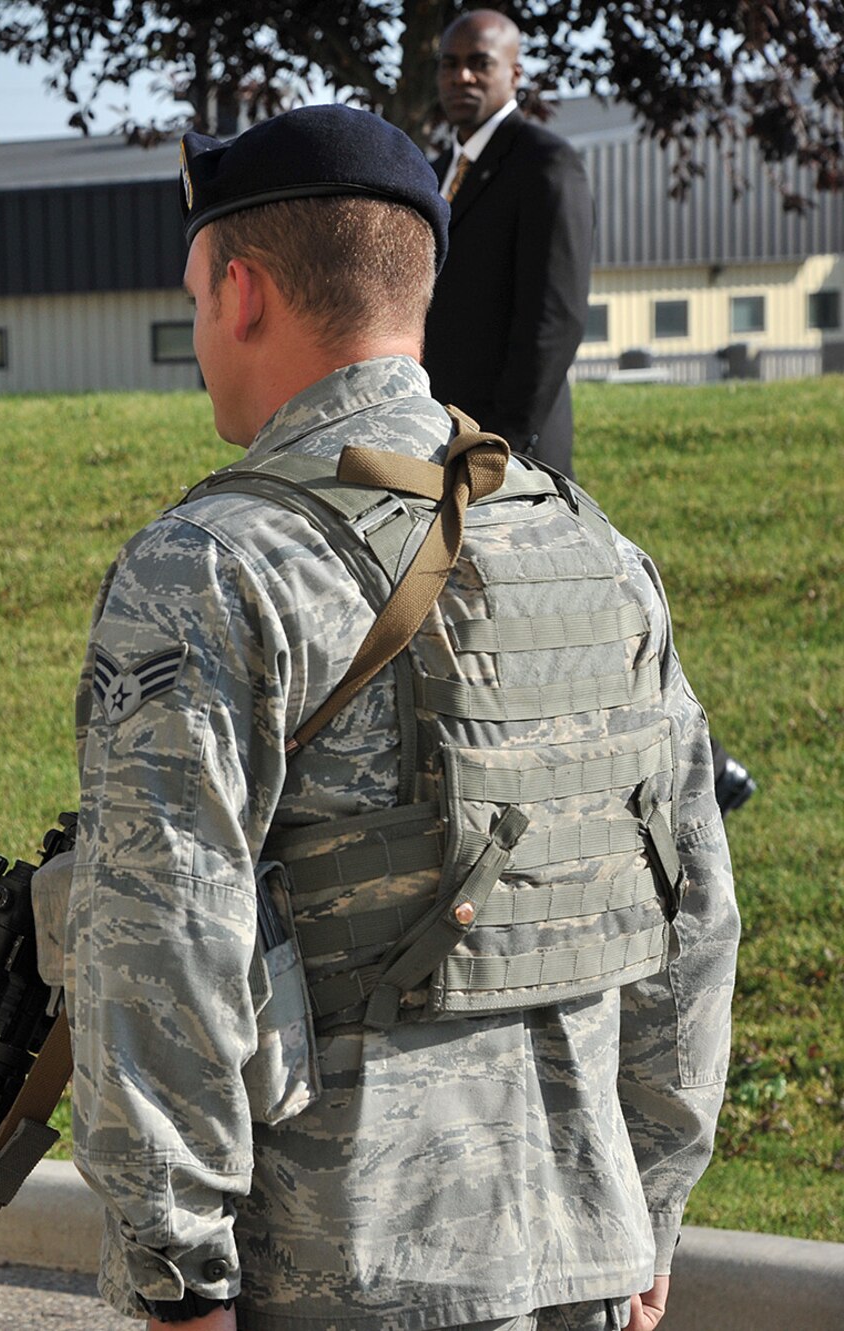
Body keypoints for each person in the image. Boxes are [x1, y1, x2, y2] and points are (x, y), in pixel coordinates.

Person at [66, 106, 738, 1331]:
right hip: (585, 1256)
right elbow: (689, 906)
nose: (197, 335)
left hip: (336, 1269)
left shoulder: (211, 567)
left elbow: (158, 939)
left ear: (244, 289)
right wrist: (653, 1196)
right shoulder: (592, 548)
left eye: (194, 295)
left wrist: (176, 1274)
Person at [422, 8, 594, 479]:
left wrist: (501, 443)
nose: (461, 76)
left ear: (515, 73)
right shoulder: (432, 174)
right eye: (448, 63)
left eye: (480, 63)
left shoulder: (546, 165)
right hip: (435, 437)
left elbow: (556, 319)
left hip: (511, 451)